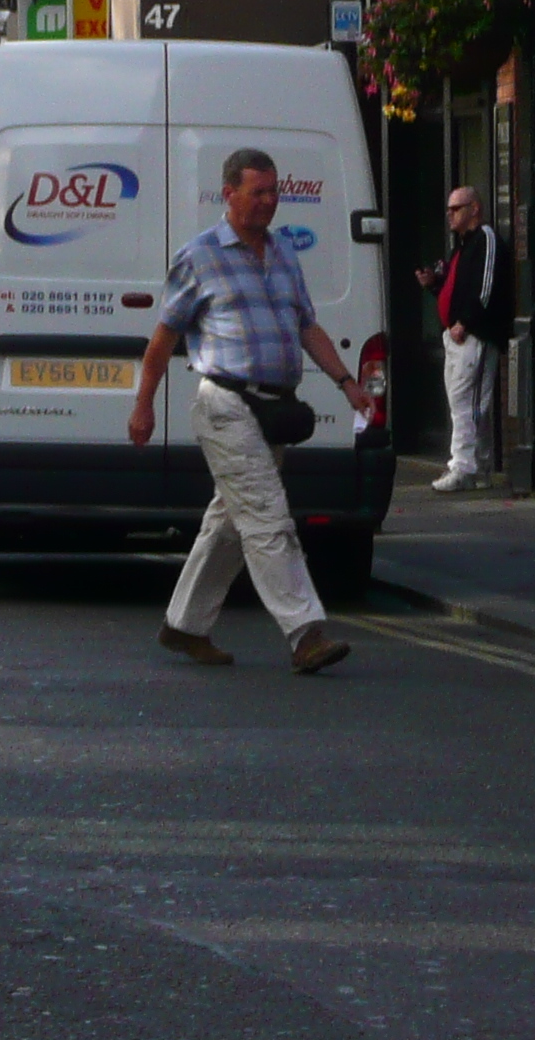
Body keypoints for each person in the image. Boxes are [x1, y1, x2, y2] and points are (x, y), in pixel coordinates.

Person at [129, 148, 376, 675]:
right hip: (224, 405)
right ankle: (305, 633)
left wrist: (347, 382)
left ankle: (185, 625)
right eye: (258, 192)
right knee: (267, 516)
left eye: (274, 191)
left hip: (273, 409)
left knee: (229, 522)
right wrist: (143, 404)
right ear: (229, 195)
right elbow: (163, 338)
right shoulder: (197, 257)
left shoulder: (285, 253)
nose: (269, 202)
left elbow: (308, 325)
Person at [416, 185, 514, 492]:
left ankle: (463, 467)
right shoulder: (464, 245)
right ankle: (479, 464)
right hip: (459, 335)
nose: (450, 214)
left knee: (465, 401)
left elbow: (485, 288)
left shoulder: (485, 240)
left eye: (456, 208)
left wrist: (465, 323)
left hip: (474, 335)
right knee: (468, 402)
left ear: (474, 209)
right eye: (448, 209)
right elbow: (458, 288)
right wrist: (435, 285)